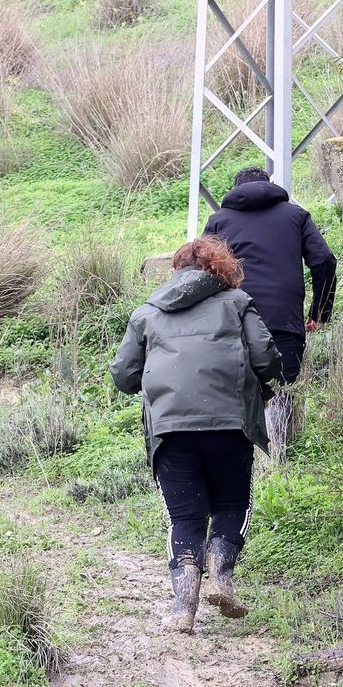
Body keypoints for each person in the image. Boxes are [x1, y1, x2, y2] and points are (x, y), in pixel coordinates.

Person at [110, 235, 282, 633]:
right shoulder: (238, 302)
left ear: (175, 271)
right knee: (232, 504)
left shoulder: (147, 312)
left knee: (185, 517)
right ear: (219, 267)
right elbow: (265, 356)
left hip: (171, 430)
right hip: (229, 425)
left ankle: (183, 609)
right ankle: (222, 577)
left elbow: (123, 377)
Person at [203, 167, 337, 455]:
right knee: (282, 391)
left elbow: (202, 272)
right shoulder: (296, 215)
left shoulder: (219, 221)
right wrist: (320, 312)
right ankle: (281, 465)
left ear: (235, 189)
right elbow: (324, 260)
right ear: (269, 185)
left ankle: (246, 463)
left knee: (237, 395)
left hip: (233, 322)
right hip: (283, 322)